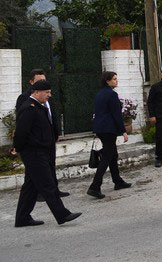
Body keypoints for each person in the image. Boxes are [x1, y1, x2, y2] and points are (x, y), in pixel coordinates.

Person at [13, 80, 81, 227]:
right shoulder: (29, 108)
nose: (49, 95)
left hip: (40, 150)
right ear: (36, 92)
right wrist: (17, 148)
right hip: (34, 152)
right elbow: (21, 132)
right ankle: (62, 214)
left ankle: (22, 218)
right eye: (47, 92)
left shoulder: (38, 106)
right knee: (47, 184)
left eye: (49, 92)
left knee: (30, 186)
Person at [15, 69, 68, 200]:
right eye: (39, 81)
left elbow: (51, 116)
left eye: (44, 81)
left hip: (49, 137)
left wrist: (55, 133)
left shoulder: (47, 96)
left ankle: (54, 190)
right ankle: (45, 195)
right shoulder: (26, 98)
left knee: (51, 163)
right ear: (32, 82)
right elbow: (24, 122)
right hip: (36, 142)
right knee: (36, 170)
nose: (43, 84)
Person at [87, 72, 132, 199]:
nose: (116, 81)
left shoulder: (100, 93)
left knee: (113, 154)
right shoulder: (112, 94)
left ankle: (117, 181)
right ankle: (95, 186)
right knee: (107, 156)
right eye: (114, 79)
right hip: (108, 129)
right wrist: (123, 131)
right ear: (107, 81)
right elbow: (116, 114)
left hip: (101, 128)